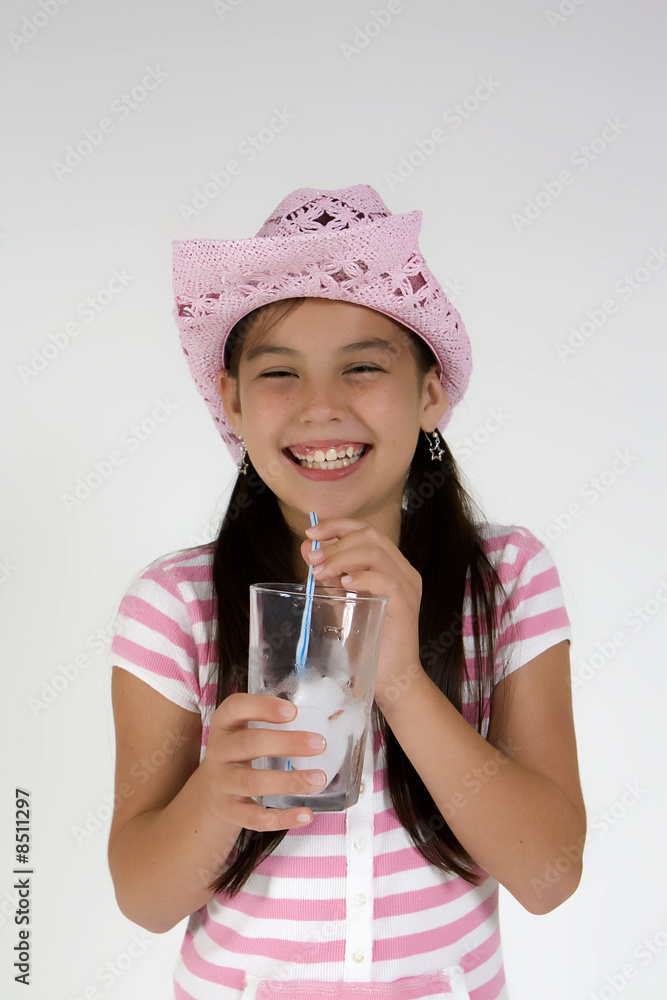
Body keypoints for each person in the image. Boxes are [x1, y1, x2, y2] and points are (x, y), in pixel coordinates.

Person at [107, 185, 586, 1000]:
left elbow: (548, 875)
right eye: (278, 373)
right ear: (232, 401)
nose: (320, 406)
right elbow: (143, 899)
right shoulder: (176, 603)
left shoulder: (505, 578)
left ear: (429, 392)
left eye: (362, 367)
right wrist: (215, 797)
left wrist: (401, 681)